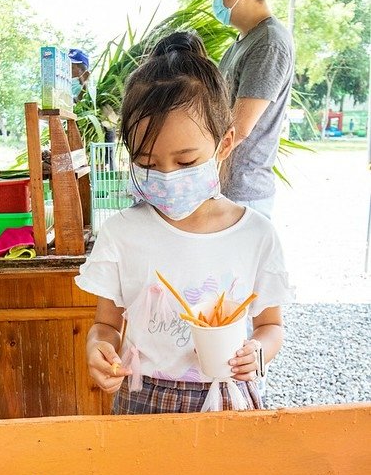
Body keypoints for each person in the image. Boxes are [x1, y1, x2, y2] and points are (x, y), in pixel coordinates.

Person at [74, 32, 293, 415]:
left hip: (227, 398)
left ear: (224, 145)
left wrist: (258, 353)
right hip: (143, 399)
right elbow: (106, 325)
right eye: (147, 161)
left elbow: (270, 326)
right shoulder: (121, 235)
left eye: (186, 161)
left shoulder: (256, 235)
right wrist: (98, 348)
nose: (167, 174)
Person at [212, 0, 294, 219]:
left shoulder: (269, 43)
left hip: (245, 195)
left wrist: (196, 163)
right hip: (227, 189)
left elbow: (240, 127)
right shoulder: (242, 42)